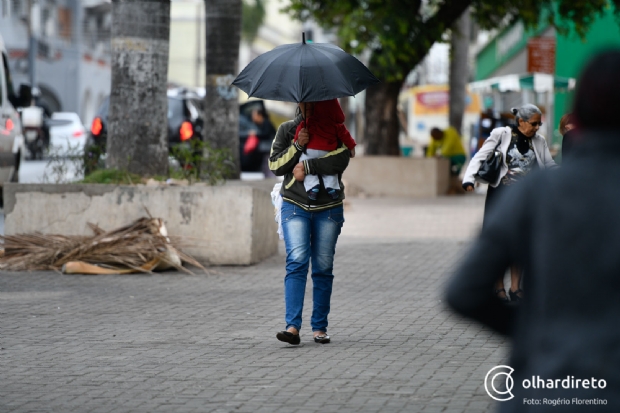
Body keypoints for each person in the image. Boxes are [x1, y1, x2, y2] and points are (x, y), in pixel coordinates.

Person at [445, 48, 620, 412]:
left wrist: (534, 331)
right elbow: (481, 158)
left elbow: (462, 292)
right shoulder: (518, 164)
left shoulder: (537, 193)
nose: (538, 127)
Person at [268, 103, 351, 345]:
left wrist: (308, 166)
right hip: (295, 206)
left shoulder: (335, 128)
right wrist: (297, 145)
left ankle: (319, 327)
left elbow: (343, 158)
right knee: (296, 262)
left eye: (316, 102)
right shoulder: (287, 129)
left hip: (329, 208)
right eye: (306, 103)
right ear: (299, 104)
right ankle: (292, 327)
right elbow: (275, 165)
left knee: (323, 266)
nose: (310, 107)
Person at [462, 104, 558, 303]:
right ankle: (498, 287)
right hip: (501, 195)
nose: (537, 127)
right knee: (499, 240)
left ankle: (515, 287)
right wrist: (469, 178)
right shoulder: (502, 134)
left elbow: (549, 165)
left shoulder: (539, 141)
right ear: (521, 121)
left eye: (539, 123)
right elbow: (480, 156)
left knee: (521, 241)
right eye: (534, 123)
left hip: (526, 198)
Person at [294, 99, 356, 201]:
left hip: (310, 152)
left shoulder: (307, 123)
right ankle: (332, 187)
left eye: (312, 102)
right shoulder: (335, 125)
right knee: (330, 171)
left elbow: (296, 142)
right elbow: (346, 136)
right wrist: (352, 148)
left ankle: (312, 187)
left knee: (303, 160)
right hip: (328, 151)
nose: (308, 104)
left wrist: (298, 142)